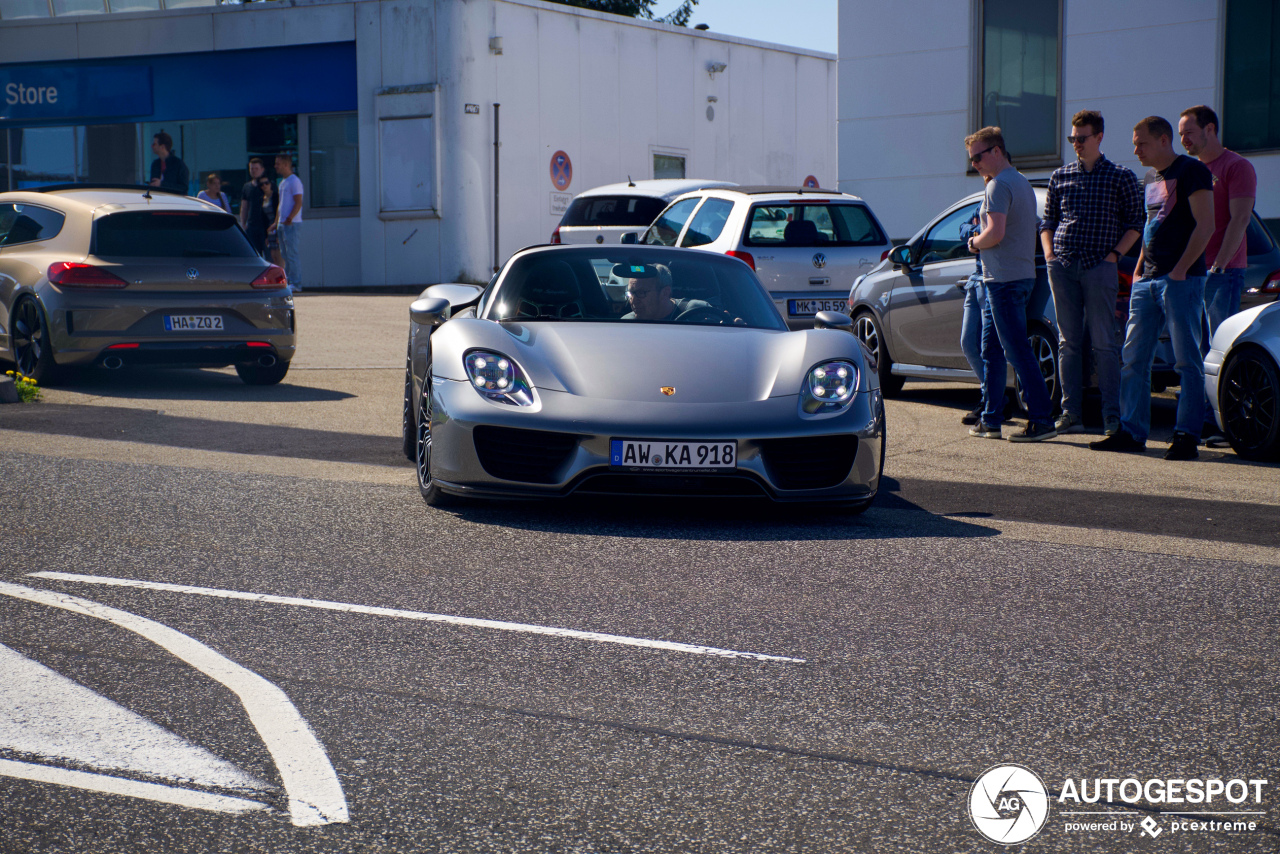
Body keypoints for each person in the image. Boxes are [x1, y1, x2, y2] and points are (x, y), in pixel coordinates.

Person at [1090, 117, 1214, 461]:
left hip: (1182, 280)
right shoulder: (1150, 178)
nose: (1135, 150)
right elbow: (1150, 225)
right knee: (1133, 359)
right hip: (1149, 280)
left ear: (1163, 140)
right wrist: (1142, 271)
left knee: (1187, 361)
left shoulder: (1192, 171)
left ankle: (1187, 436)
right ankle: (1131, 432)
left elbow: (1206, 225)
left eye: (1141, 143)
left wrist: (1179, 270)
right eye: (1134, 143)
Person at [1040, 110, 1144, 437]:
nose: (1076, 144)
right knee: (1068, 342)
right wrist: (1049, 253)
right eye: (1072, 138)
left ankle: (1111, 417)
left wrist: (1114, 257)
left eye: (1082, 138)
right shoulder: (1060, 176)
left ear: (1099, 137)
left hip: (1100, 265)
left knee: (1104, 344)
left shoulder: (1120, 176)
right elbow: (1047, 222)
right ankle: (1071, 413)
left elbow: (1136, 223)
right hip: (1063, 265)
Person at [964, 126, 1057, 442]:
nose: (974, 164)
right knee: (990, 348)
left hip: (1004, 280)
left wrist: (974, 242)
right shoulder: (1020, 182)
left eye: (978, 157)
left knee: (1016, 350)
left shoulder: (999, 186)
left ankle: (1042, 420)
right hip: (1013, 277)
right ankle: (991, 419)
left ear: (996, 151)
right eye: (972, 159)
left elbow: (996, 234)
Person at [1178, 104, 1256, 443]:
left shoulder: (1236, 167)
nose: (1184, 140)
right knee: (1194, 351)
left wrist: (1219, 265)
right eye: (1180, 135)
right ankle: (1201, 420)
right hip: (1192, 274)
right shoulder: (1191, 170)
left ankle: (1224, 424)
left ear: (1210, 129)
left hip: (1222, 275)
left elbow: (1240, 220)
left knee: (1218, 349)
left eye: (1188, 133)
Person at [957, 207, 987, 425]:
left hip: (991, 278)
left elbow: (996, 232)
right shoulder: (982, 201)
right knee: (968, 342)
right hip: (975, 279)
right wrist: (979, 230)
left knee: (989, 347)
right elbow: (961, 229)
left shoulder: (1007, 189)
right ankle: (993, 396)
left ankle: (991, 399)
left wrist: (977, 231)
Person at [621, 264, 708, 320]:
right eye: (631, 293)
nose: (633, 300)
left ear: (665, 293)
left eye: (641, 293)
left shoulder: (698, 312)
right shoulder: (627, 323)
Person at [270, 153, 304, 290]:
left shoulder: (294, 181)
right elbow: (281, 204)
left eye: (278, 163)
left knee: (292, 253)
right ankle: (289, 281)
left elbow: (298, 202)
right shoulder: (283, 182)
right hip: (282, 224)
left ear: (285, 165)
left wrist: (290, 218)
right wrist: (276, 222)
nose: (276, 166)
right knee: (284, 254)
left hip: (292, 224)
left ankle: (296, 283)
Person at [239, 157, 265, 230]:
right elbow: (244, 206)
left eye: (256, 169)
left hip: (265, 224)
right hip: (251, 224)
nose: (253, 171)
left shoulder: (268, 185)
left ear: (262, 169)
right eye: (252, 169)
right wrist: (243, 223)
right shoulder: (247, 187)